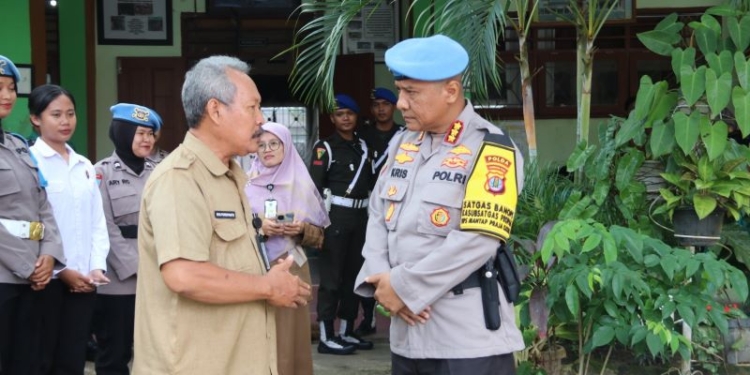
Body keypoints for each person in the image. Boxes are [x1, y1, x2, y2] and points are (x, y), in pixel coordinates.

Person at [354, 34, 526, 375]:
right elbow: (377, 214)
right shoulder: (403, 143)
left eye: (411, 93)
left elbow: (478, 239)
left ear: (450, 91)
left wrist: (404, 289)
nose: (400, 104)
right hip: (407, 336)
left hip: (466, 340)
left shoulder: (490, 150)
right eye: (400, 91)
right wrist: (383, 283)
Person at [133, 55, 311, 375]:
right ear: (215, 111)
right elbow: (184, 275)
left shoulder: (232, 177)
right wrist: (267, 286)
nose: (261, 119)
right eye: (252, 107)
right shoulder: (180, 178)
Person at [28, 84, 110, 374]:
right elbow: (31, 226)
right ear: (36, 119)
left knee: (73, 359)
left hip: (85, 279)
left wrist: (96, 266)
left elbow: (97, 223)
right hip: (44, 281)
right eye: (56, 114)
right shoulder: (31, 163)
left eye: (71, 114)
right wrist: (62, 272)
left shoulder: (84, 165)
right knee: (42, 358)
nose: (66, 121)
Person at [245, 122, 330, 375]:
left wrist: (301, 230)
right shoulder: (245, 184)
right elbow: (233, 229)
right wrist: (260, 230)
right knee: (257, 334)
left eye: (274, 144)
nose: (267, 150)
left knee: (290, 338)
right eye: (261, 145)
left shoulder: (300, 184)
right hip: (255, 268)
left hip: (293, 266)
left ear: (286, 147)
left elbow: (320, 238)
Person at [0, 55, 66, 375]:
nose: (8, 95)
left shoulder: (17, 146)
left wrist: (49, 255)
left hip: (32, 280)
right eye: (0, 87)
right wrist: (29, 266)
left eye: (12, 88)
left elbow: (42, 209)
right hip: (6, 278)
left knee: (28, 363)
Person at [93, 103, 163, 375]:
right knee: (115, 354)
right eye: (140, 133)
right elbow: (104, 226)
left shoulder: (160, 170)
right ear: (122, 133)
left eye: (150, 134)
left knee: (156, 352)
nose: (147, 140)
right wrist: (136, 268)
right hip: (118, 283)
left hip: (158, 275)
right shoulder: (101, 172)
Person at [309, 94, 374, 355]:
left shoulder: (363, 147)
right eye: (339, 114)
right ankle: (327, 336)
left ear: (356, 116)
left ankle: (347, 330)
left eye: (349, 113)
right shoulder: (325, 147)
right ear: (333, 118)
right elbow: (314, 186)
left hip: (361, 218)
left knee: (353, 277)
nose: (345, 118)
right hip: (335, 218)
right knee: (332, 279)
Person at [355, 87, 404, 336]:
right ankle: (368, 315)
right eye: (376, 105)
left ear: (394, 106)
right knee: (369, 258)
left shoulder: (404, 135)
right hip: (368, 206)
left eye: (386, 104)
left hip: (398, 204)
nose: (381, 109)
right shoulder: (362, 136)